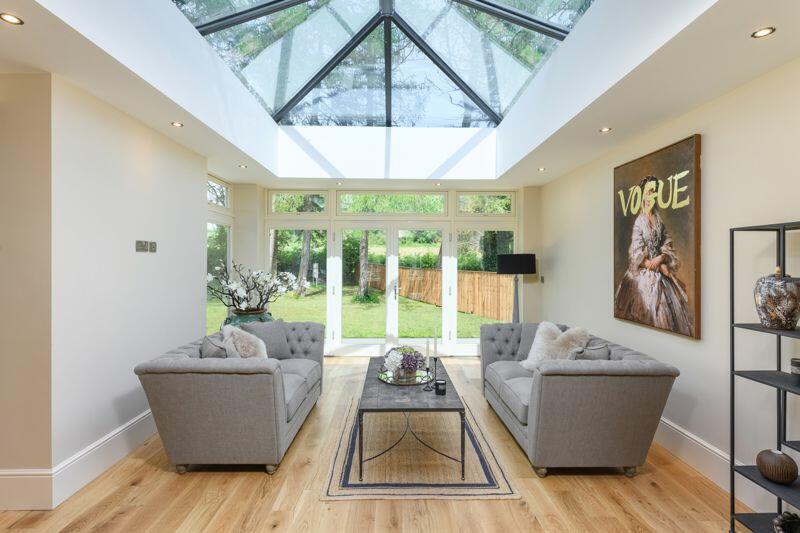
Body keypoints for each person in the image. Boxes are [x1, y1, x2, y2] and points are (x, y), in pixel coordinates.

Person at [614, 175, 693, 336]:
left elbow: (667, 241)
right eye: (649, 192)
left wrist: (662, 258)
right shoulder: (639, 222)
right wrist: (653, 264)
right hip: (645, 275)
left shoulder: (658, 219)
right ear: (642, 194)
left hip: (660, 269)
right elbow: (636, 254)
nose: (652, 196)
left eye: (655, 192)